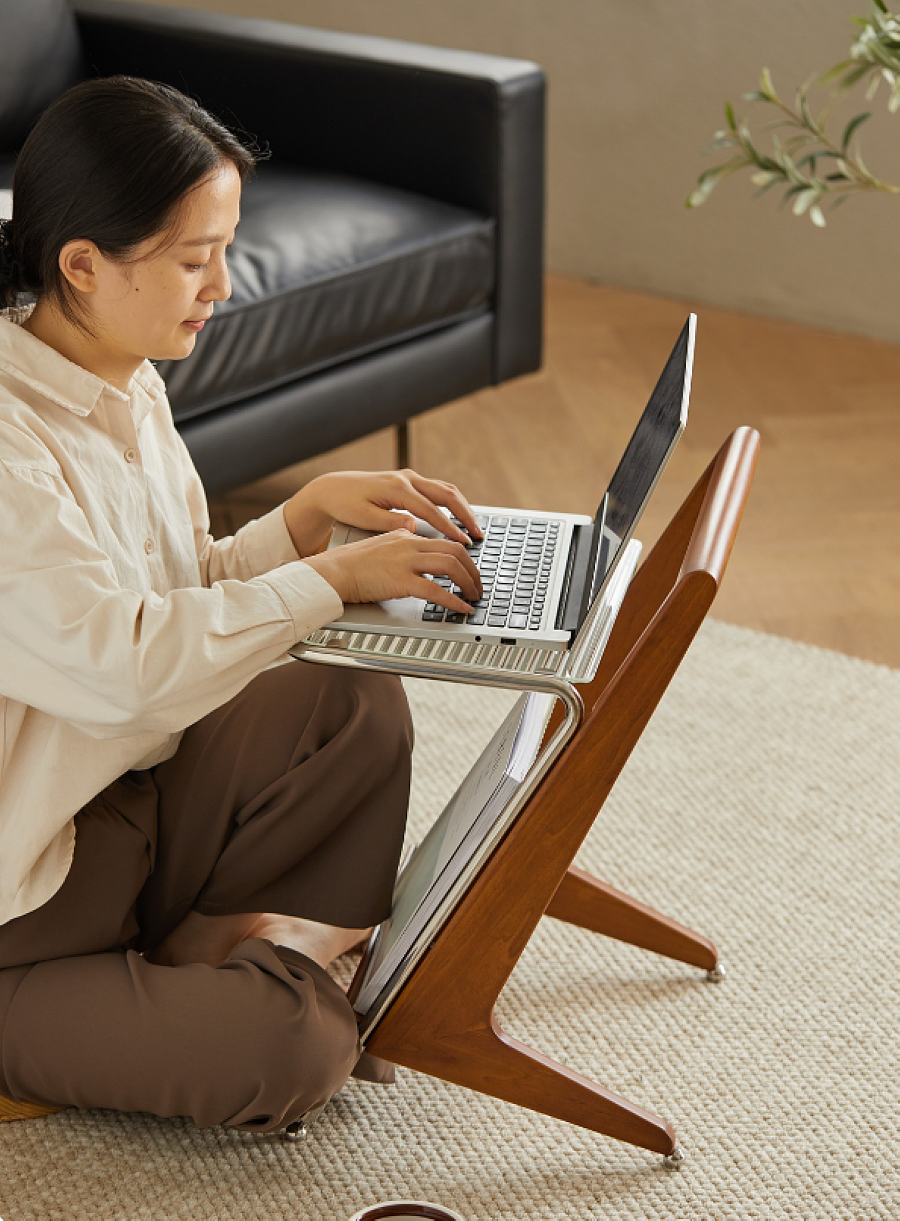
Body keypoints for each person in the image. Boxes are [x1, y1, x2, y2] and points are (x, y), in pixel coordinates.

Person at [0, 75, 484, 1133]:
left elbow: (165, 593)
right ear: (81, 264)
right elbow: (120, 663)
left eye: (226, 246)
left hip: (103, 811)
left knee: (343, 697)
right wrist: (332, 577)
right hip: (18, 901)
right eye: (191, 258)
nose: (223, 283)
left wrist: (299, 524)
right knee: (293, 1047)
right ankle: (180, 993)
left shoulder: (120, 372)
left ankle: (195, 960)